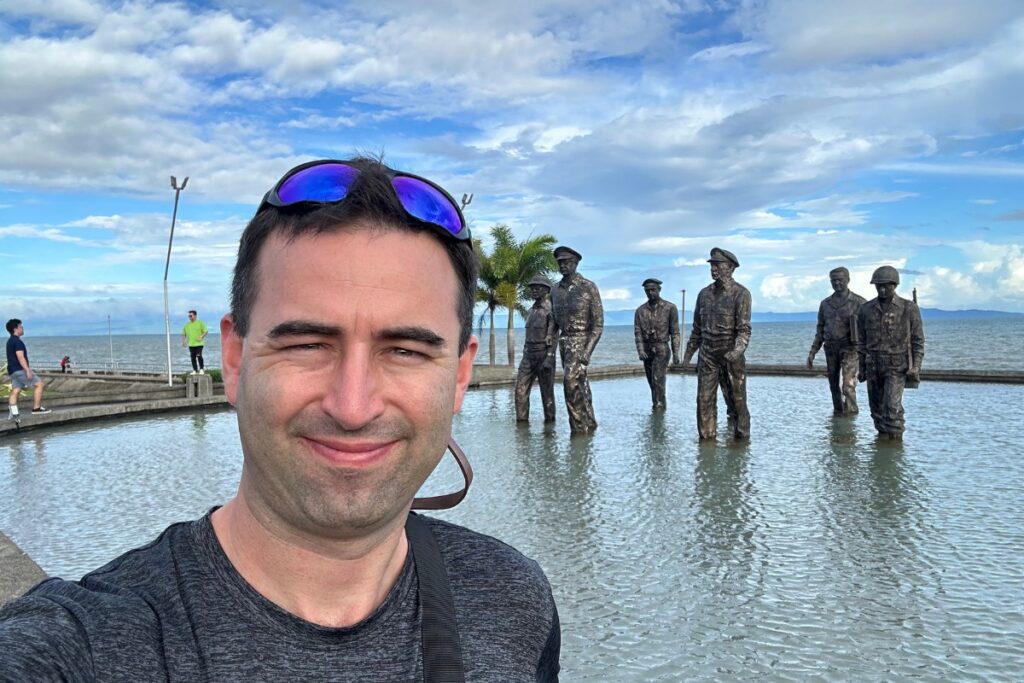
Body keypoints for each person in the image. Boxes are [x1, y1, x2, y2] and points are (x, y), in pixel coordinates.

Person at [0, 158, 560, 681]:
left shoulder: (512, 600)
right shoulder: (89, 643)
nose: (353, 405)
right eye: (308, 345)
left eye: (406, 351)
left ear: (460, 375)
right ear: (236, 359)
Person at [682, 248, 751, 440]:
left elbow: (744, 330)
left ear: (730, 268)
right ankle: (707, 439)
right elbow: (697, 329)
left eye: (718, 265)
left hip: (730, 354)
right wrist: (688, 355)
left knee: (737, 399)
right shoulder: (703, 295)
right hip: (708, 354)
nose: (713, 269)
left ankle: (741, 438)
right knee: (704, 399)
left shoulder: (741, 294)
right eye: (712, 265)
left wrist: (737, 350)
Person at [856, 265, 925, 439]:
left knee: (892, 409)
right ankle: (882, 448)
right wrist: (862, 368)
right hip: (873, 365)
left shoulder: (908, 308)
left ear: (895, 285)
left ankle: (895, 448)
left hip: (896, 365)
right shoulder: (865, 309)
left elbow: (917, 341)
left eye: (887, 285)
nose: (882, 289)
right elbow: (861, 342)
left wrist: (916, 366)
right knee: (876, 411)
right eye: (879, 285)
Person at [550, 245, 603, 435]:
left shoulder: (588, 287)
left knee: (570, 383)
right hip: (564, 343)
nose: (563, 266)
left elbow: (598, 325)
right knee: (580, 383)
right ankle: (590, 422)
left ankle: (579, 430)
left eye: (567, 262)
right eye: (560, 263)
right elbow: (553, 321)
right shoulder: (554, 290)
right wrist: (550, 341)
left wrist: (587, 351)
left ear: (576, 263)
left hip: (581, 341)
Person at [807, 267, 866, 415]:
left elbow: (869, 329)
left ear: (848, 280)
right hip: (831, 348)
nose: (837, 283)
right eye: (834, 281)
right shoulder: (825, 304)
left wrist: (867, 354)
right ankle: (839, 415)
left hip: (850, 349)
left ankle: (852, 415)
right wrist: (813, 352)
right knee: (834, 386)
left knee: (848, 385)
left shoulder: (859, 303)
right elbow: (820, 329)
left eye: (841, 280)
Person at [633, 278, 680, 409]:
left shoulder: (670, 308)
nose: (650, 293)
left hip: (662, 348)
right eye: (647, 290)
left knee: (657, 378)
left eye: (653, 290)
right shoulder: (640, 311)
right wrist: (640, 351)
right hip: (647, 349)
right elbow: (638, 333)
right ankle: (658, 403)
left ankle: (658, 406)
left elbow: (675, 332)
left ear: (659, 290)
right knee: (651, 381)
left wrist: (676, 353)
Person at [515, 274, 557, 423]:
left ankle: (550, 429)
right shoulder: (531, 311)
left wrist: (550, 357)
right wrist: (525, 353)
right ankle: (521, 426)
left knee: (547, 394)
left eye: (537, 288)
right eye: (532, 288)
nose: (534, 290)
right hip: (528, 356)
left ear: (546, 290)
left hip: (544, 355)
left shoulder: (550, 310)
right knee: (520, 391)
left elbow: (554, 335)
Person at [5, 318, 50, 419]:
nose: (23, 328)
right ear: (15, 329)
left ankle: (14, 412)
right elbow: (20, 356)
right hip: (20, 369)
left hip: (12, 371)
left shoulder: (10, 341)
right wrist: (27, 370)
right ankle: (36, 408)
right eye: (21, 327)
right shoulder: (17, 342)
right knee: (39, 384)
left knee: (16, 390)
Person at [181, 309, 208, 374]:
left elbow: (206, 331)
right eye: (189, 316)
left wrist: (202, 336)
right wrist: (183, 341)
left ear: (195, 316)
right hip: (191, 344)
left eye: (191, 316)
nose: (190, 317)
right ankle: (195, 370)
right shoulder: (187, 325)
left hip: (199, 343)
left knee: (199, 355)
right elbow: (183, 334)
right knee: (192, 357)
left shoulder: (200, 323)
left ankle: (201, 369)